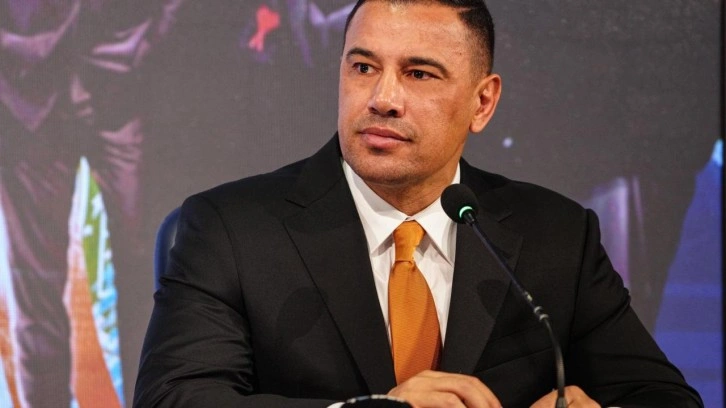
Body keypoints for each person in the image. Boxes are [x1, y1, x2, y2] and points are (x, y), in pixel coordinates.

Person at [134, 1, 703, 407]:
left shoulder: (556, 236)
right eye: (363, 67)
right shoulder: (231, 229)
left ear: (483, 102)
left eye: (419, 73)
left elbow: (662, 396)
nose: (383, 98)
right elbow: (176, 397)